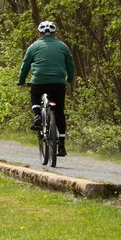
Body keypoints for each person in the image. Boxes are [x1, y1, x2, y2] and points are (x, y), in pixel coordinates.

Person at [17, 20, 75, 157]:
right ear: (55, 33)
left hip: (39, 81)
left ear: (39, 33)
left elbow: (25, 65)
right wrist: (70, 79)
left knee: (35, 95)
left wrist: (21, 81)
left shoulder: (33, 46)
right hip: (58, 83)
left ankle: (37, 115)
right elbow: (70, 65)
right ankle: (61, 145)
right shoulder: (63, 46)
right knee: (59, 112)